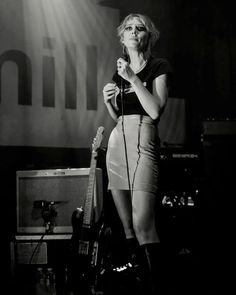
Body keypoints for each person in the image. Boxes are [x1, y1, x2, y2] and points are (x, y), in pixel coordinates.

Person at [103, 13, 172, 294]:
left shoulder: (158, 66)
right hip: (119, 139)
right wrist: (108, 102)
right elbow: (119, 115)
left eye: (139, 28)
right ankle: (140, 285)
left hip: (144, 138)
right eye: (128, 28)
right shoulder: (117, 73)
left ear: (148, 36)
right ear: (122, 38)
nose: (133, 32)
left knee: (143, 222)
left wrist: (132, 78)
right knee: (127, 226)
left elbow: (155, 110)